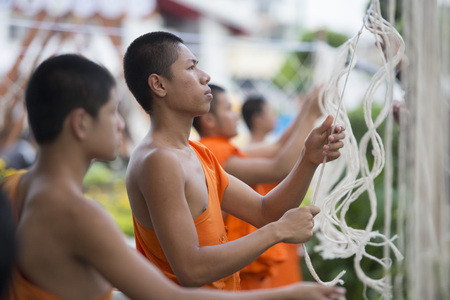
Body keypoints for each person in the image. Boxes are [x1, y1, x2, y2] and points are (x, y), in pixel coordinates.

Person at [0, 53, 346, 300]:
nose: (120, 125)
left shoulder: (14, 187)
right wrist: (284, 286)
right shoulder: (86, 210)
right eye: (112, 112)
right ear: (80, 122)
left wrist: (308, 159)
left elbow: (264, 210)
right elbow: (186, 275)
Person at [123, 30, 345, 294]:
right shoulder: (158, 160)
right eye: (191, 67)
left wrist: (308, 159)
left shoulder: (197, 153)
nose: (205, 76)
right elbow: (191, 269)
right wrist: (277, 232)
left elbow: (266, 211)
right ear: (159, 85)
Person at [192, 84, 324, 289]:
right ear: (208, 120)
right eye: (228, 109)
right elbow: (280, 166)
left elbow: (279, 147)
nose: (236, 116)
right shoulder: (213, 150)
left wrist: (307, 109)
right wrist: (310, 115)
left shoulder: (221, 149)